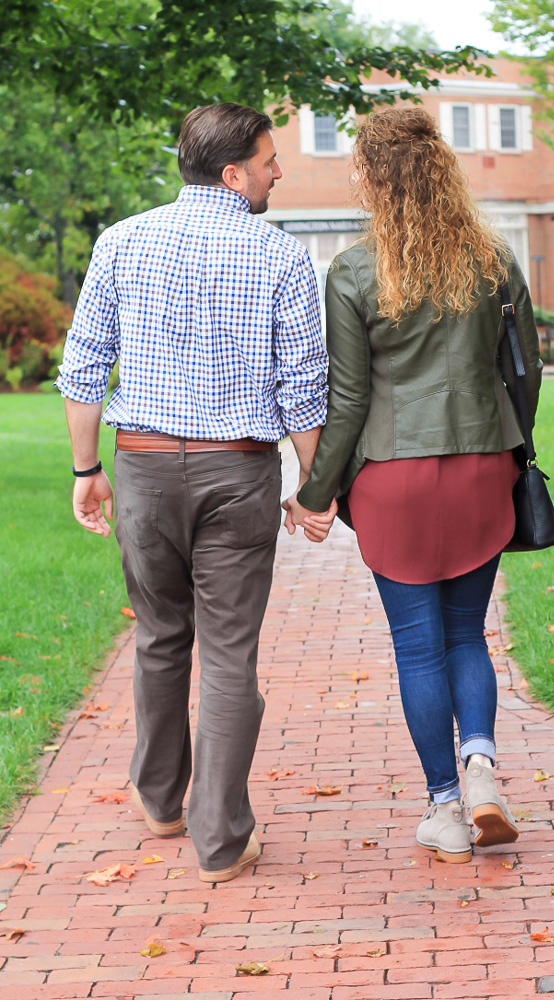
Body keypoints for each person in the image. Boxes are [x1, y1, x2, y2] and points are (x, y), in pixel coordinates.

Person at [56, 102, 334, 883]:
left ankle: (159, 801)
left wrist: (87, 471)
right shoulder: (279, 257)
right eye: (271, 160)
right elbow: (302, 392)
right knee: (228, 654)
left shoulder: (120, 241)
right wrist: (313, 489)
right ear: (233, 172)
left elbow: (83, 370)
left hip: (142, 470)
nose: (281, 170)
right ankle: (220, 839)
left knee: (158, 636)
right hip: (237, 472)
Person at [284, 107, 542, 864]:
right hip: (478, 464)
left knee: (418, 648)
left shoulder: (356, 270)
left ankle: (443, 809)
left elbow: (350, 399)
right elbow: (524, 372)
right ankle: (482, 767)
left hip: (393, 477)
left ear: (369, 177)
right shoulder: (492, 257)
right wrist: (514, 448)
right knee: (468, 633)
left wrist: (316, 492)